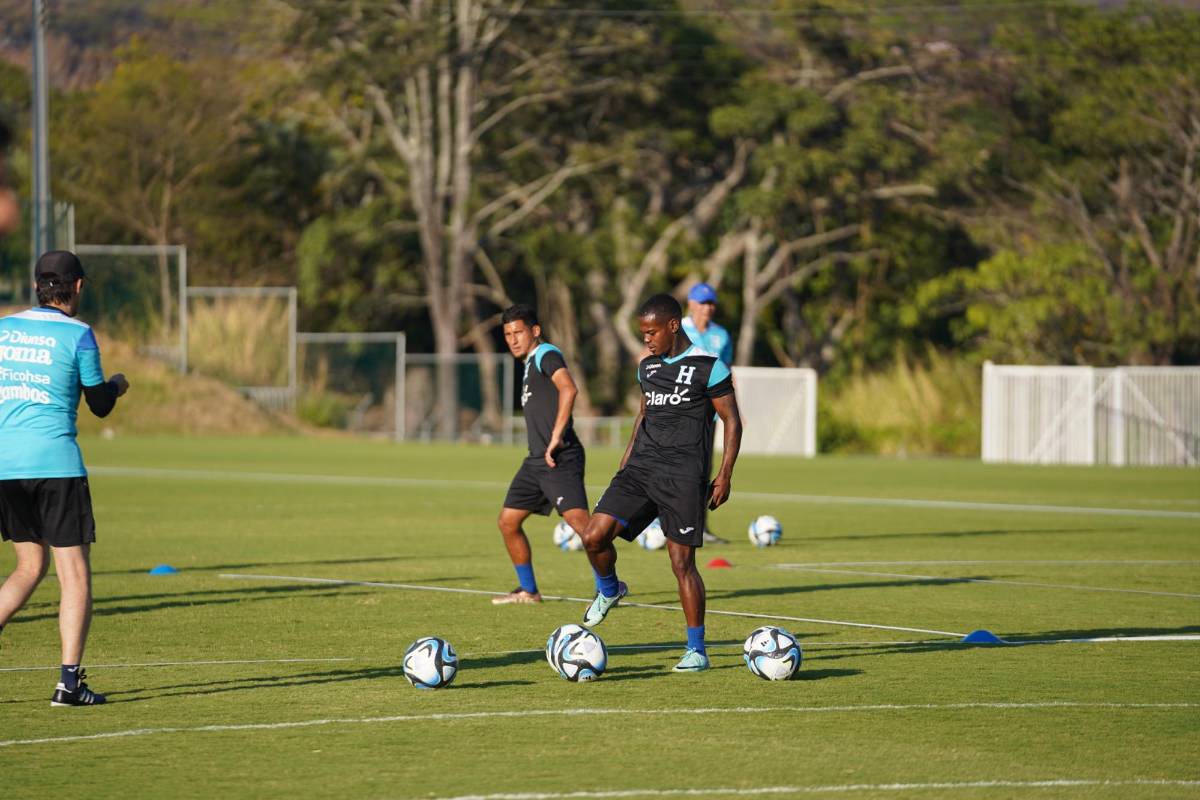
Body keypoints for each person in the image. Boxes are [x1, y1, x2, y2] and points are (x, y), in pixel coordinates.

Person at [579, 293, 742, 672]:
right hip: (639, 470)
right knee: (592, 536)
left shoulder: (709, 367)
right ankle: (609, 589)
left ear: (673, 325)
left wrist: (725, 473)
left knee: (681, 563)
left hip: (684, 476)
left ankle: (697, 650)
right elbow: (642, 415)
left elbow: (732, 421)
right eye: (642, 334)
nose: (647, 340)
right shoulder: (647, 367)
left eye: (651, 332)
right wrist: (625, 461)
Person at [0, 250, 129, 706]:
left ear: (37, 286)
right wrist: (116, 384)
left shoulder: (4, 328)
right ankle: (69, 684)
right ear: (76, 287)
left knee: (28, 567)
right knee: (72, 575)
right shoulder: (78, 335)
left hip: (6, 466)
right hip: (55, 465)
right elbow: (99, 405)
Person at [493, 304, 589, 604]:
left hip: (559, 457)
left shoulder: (546, 354)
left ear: (535, 331)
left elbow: (569, 389)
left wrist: (557, 435)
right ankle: (528, 590)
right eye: (507, 334)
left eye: (518, 332)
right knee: (508, 522)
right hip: (535, 461)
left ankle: (609, 588)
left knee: (586, 530)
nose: (513, 339)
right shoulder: (530, 363)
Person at [682, 282, 733, 367]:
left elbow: (726, 367)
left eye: (711, 303)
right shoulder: (677, 329)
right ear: (691, 304)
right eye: (703, 303)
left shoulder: (721, 333)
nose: (708, 308)